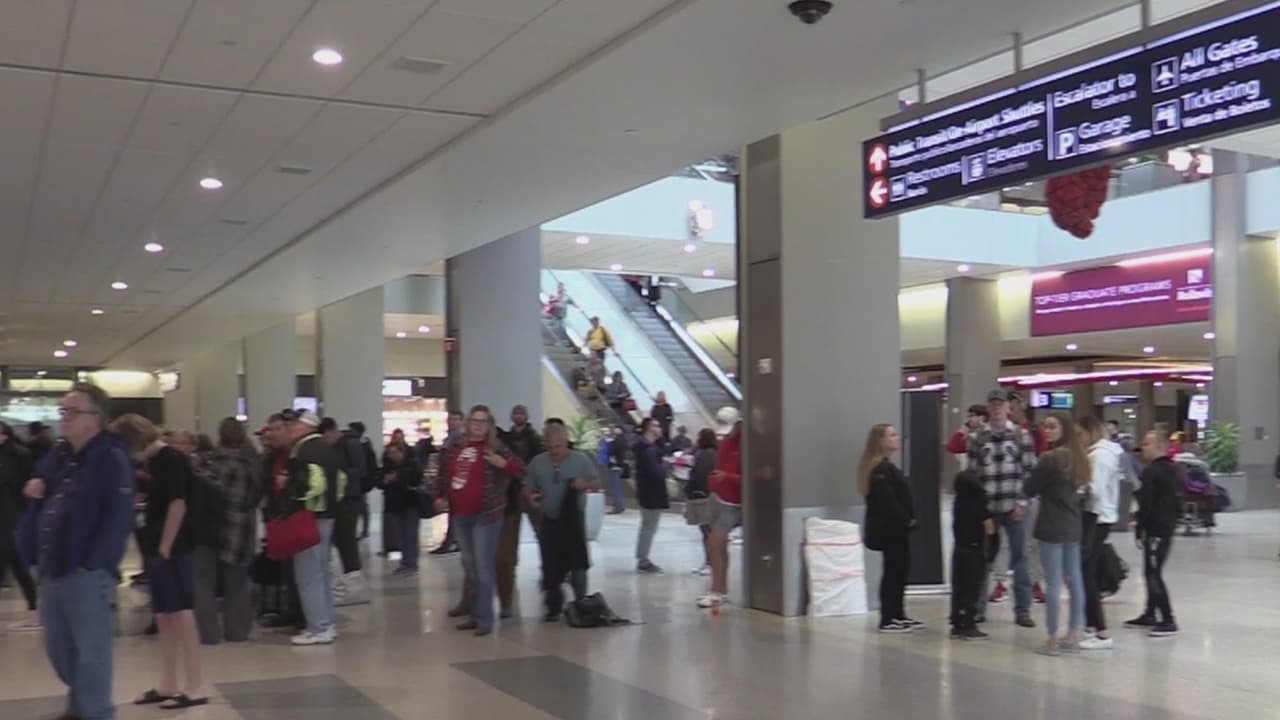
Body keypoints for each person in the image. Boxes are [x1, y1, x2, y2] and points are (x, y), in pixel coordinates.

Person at [17, 384, 136, 720]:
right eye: (62, 411)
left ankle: (95, 712)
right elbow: (43, 484)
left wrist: (94, 563)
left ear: (94, 419)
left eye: (72, 411)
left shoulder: (111, 458)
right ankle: (79, 706)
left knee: (91, 653)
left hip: (84, 571)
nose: (64, 418)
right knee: (60, 650)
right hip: (52, 568)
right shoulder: (62, 457)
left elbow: (118, 516)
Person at [109, 414, 207, 709]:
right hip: (156, 546)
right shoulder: (152, 463)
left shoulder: (170, 460)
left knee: (182, 612)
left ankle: (195, 683)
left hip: (173, 547)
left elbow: (178, 503)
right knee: (164, 614)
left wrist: (165, 546)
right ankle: (168, 682)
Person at [434, 406, 523, 636]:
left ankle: (485, 618)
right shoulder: (456, 447)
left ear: (489, 425)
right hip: (460, 515)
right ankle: (475, 613)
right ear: (467, 422)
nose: (477, 425)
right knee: (470, 567)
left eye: (482, 421)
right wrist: (440, 495)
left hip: (486, 515)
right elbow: (444, 474)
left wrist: (502, 464)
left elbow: (520, 469)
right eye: (474, 420)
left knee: (483, 567)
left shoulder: (496, 447)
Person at [968, 389, 1038, 628]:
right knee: (983, 559)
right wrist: (980, 512)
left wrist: (1023, 502)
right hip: (989, 509)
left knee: (1021, 558)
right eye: (993, 404)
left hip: (1014, 508)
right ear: (988, 408)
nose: (997, 408)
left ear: (1008, 407)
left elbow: (1030, 472)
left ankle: (1023, 610)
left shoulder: (1021, 436)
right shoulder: (978, 438)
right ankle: (977, 608)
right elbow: (972, 478)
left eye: (1001, 404)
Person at [1022, 411, 1089, 656]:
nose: (1047, 431)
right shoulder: (1079, 458)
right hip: (1073, 524)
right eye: (1045, 426)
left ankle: (1051, 637)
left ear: (1064, 430)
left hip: (1051, 524)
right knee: (1074, 579)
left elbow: (1030, 487)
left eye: (1052, 426)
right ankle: (1074, 633)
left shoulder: (1050, 458)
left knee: (1052, 582)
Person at [524, 424, 599, 621]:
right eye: (551, 447)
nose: (555, 451)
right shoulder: (538, 463)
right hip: (550, 519)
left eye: (559, 446)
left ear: (566, 442)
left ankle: (581, 602)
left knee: (578, 564)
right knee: (550, 564)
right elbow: (527, 486)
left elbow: (596, 483)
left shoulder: (580, 460)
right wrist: (531, 497)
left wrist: (584, 485)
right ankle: (553, 605)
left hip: (574, 520)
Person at [200, 418, 262, 643]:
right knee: (237, 582)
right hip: (241, 527)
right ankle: (238, 631)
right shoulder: (251, 465)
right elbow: (255, 497)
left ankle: (208, 633)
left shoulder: (208, 462)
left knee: (204, 582)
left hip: (209, 528)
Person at [285, 411, 343, 646]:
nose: (289, 430)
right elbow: (340, 482)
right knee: (320, 571)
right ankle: (327, 622)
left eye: (292, 425)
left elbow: (310, 485)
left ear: (303, 427)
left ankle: (317, 627)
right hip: (328, 514)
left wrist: (293, 493)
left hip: (311, 516)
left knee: (308, 574)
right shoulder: (326, 448)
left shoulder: (305, 450)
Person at [860, 424, 917, 632]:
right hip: (890, 530)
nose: (897, 438)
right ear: (881, 441)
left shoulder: (886, 466)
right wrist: (906, 519)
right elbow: (888, 502)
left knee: (900, 571)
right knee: (893, 572)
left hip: (897, 530)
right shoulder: (880, 470)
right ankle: (888, 617)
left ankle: (898, 613)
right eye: (892, 435)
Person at [1125, 430, 1180, 637]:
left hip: (1156, 529)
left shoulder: (1151, 472)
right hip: (1166, 526)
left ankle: (1168, 618)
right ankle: (1150, 612)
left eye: (1146, 444)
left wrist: (1139, 528)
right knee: (1149, 571)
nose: (1142, 448)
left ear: (1159, 447)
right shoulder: (1172, 470)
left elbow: (1146, 503)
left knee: (1153, 573)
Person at [1078, 416, 1121, 651]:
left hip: (1097, 519)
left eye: (1080, 434)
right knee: (1086, 572)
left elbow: (1095, 490)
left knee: (1087, 574)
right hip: (1098, 518)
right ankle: (1092, 626)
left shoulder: (1100, 456)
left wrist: (1078, 486)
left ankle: (1100, 631)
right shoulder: (1101, 454)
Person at [498, 405, 545, 618]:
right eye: (515, 413)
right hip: (513, 491)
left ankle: (547, 568)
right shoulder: (506, 439)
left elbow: (537, 460)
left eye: (521, 413)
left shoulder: (534, 438)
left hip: (531, 488)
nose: (518, 416)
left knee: (541, 531)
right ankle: (511, 572)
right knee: (510, 535)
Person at [319, 418, 371, 607]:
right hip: (338, 500)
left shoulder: (350, 445)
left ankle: (356, 588)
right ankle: (349, 586)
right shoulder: (337, 446)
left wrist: (339, 476)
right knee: (341, 542)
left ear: (332, 432)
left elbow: (361, 470)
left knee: (347, 543)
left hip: (349, 499)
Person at [0, 421, 39, 631]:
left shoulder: (18, 456)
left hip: (12, 518)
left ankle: (34, 611)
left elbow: (26, 486)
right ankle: (34, 611)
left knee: (18, 564)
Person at [699, 421, 743, 607]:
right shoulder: (727, 442)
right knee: (717, 544)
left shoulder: (743, 445)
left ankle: (718, 590)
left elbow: (753, 476)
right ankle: (719, 590)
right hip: (722, 498)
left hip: (734, 502)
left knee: (716, 542)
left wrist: (727, 478)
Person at [951, 470, 994, 640]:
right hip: (974, 549)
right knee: (973, 587)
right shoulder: (978, 502)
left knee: (959, 587)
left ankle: (957, 621)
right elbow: (989, 527)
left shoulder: (958, 501)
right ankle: (969, 623)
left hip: (959, 547)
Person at [378, 443, 424, 576]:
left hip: (410, 503)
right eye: (390, 452)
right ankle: (405, 562)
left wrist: (399, 477)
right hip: (395, 505)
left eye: (395, 452)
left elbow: (416, 479)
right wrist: (385, 481)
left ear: (402, 452)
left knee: (410, 534)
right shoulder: (387, 466)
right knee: (401, 535)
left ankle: (412, 563)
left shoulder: (411, 464)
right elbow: (379, 481)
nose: (392, 455)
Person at [632, 418, 668, 574]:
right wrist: (666, 464)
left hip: (646, 492)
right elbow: (656, 473)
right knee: (649, 527)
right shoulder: (648, 450)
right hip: (652, 493)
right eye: (656, 425)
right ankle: (643, 560)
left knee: (647, 526)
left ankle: (642, 557)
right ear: (649, 429)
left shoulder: (647, 447)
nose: (659, 428)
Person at [432, 410, 465, 558]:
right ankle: (454, 541)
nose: (451, 422)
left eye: (455, 419)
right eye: (450, 419)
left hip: (456, 481)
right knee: (453, 512)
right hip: (448, 479)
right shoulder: (449, 439)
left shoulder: (460, 441)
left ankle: (452, 541)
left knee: (455, 513)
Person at [685, 429, 717, 577]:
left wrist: (689, 489)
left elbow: (699, 475)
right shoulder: (710, 453)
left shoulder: (706, 454)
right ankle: (709, 562)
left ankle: (711, 562)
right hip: (707, 494)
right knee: (706, 531)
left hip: (703, 496)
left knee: (707, 531)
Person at [347, 421, 379, 540]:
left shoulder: (361, 446)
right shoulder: (365, 445)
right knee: (361, 506)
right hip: (361, 481)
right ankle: (363, 530)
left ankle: (363, 530)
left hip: (360, 481)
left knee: (360, 506)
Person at [605, 426, 629, 514]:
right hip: (620, 466)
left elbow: (611, 451)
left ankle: (617, 507)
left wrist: (609, 442)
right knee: (617, 487)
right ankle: (620, 506)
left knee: (615, 487)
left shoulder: (617, 441)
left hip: (615, 466)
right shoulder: (623, 441)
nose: (614, 429)